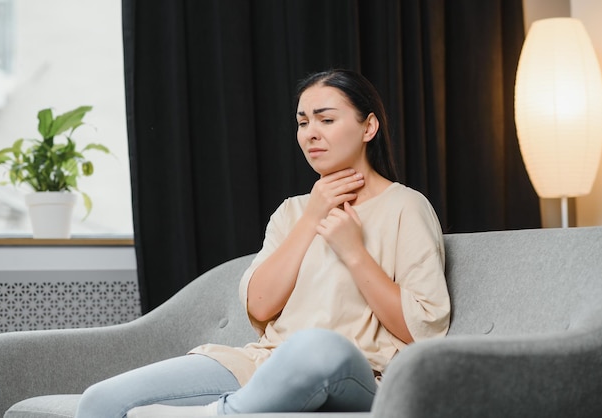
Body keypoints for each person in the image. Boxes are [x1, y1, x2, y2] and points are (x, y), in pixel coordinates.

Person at [75, 69, 451, 418]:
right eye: (302, 122)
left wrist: (353, 252)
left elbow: (421, 330)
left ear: (369, 126)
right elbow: (259, 305)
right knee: (101, 401)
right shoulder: (293, 212)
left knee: (319, 346)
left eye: (326, 119)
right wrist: (311, 217)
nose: (310, 133)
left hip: (363, 375)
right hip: (265, 363)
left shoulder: (406, 207)